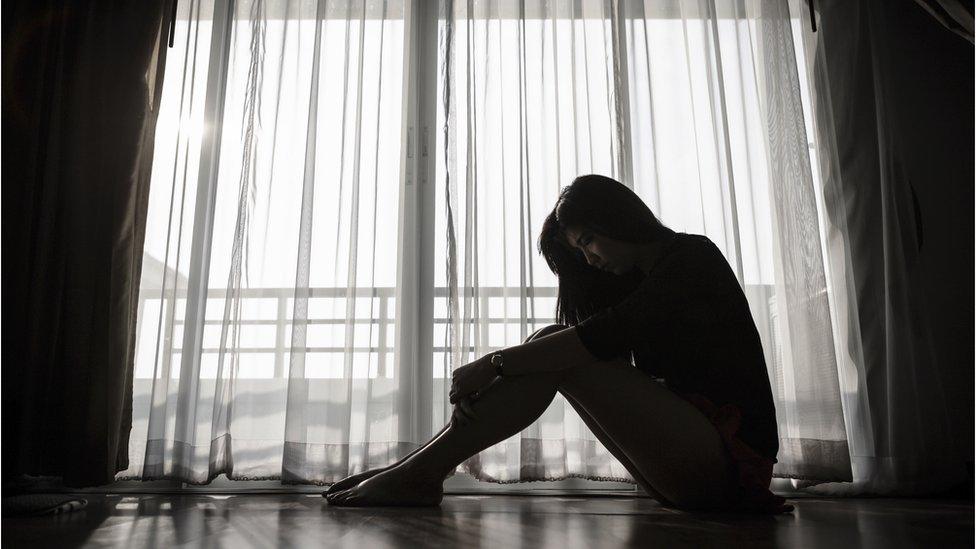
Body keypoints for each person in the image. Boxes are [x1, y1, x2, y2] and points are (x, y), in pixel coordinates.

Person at [325, 174, 793, 514]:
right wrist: (506, 364)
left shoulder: (692, 256)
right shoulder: (639, 281)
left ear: (618, 219)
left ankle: (419, 474)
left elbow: (599, 337)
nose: (590, 258)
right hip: (685, 468)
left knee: (555, 348)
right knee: (550, 348)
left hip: (730, 469)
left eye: (589, 241)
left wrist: (493, 363)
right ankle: (416, 470)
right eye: (580, 251)